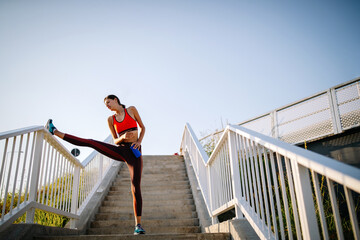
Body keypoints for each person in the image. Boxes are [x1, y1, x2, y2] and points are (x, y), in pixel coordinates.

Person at [45, 94, 146, 235]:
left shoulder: (131, 110)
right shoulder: (111, 119)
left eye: (109, 102)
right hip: (121, 150)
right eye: (106, 105)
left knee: (135, 187)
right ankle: (55, 131)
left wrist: (139, 141)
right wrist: (122, 137)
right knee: (91, 142)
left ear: (115, 100)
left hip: (134, 151)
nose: (108, 106)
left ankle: (138, 225)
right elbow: (115, 140)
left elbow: (143, 127)